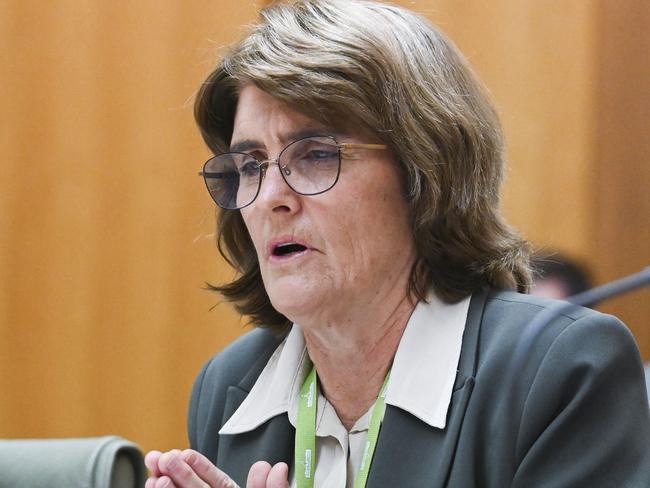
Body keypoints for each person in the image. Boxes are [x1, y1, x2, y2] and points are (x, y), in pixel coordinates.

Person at [145, 1, 650, 487]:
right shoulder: (233, 385)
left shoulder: (560, 371)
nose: (270, 198)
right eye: (251, 165)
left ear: (423, 171)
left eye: (317, 154)